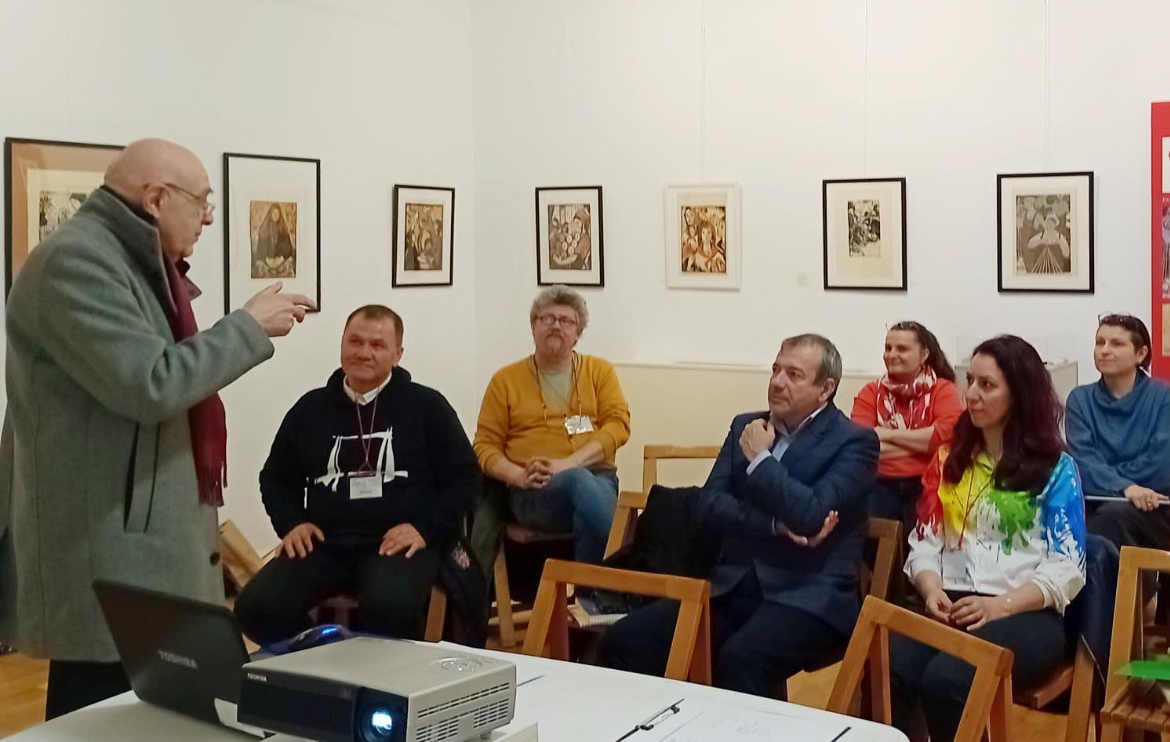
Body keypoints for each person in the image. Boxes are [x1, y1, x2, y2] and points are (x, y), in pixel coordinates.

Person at [0, 138, 315, 718]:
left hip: (136, 539)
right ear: (155, 199)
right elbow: (151, 383)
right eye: (201, 202)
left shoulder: (124, 261)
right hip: (106, 545)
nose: (208, 218)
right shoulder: (77, 264)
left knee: (157, 714)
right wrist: (248, 326)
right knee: (100, 711)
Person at [599, 334, 877, 698]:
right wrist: (774, 525)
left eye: (794, 375)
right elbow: (708, 507)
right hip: (733, 586)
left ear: (825, 389)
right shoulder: (745, 426)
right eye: (776, 369)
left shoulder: (854, 442)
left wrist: (761, 459)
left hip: (808, 594)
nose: (777, 382)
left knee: (741, 659)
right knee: (625, 640)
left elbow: (811, 515)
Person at [235, 306, 480, 646]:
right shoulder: (309, 409)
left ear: (397, 354)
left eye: (377, 345)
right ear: (341, 345)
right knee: (255, 607)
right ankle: (321, 659)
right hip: (325, 544)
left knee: (388, 607)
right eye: (355, 341)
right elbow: (276, 477)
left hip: (396, 544)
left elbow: (466, 478)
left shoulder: (427, 406)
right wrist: (291, 523)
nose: (364, 352)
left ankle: (377, 675)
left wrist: (424, 529)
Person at [894, 335, 1087, 742]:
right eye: (970, 382)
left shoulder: (1056, 468)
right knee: (888, 663)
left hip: (1023, 612)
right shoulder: (950, 458)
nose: (971, 395)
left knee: (948, 679)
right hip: (951, 602)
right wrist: (930, 590)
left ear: (1018, 395)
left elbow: (1068, 568)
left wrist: (998, 606)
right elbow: (924, 541)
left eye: (987, 385)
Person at [472, 286, 630, 566]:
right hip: (533, 491)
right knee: (581, 484)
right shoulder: (504, 381)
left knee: (586, 504)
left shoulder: (600, 372)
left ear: (578, 334)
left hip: (598, 479)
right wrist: (518, 475)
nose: (556, 325)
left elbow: (618, 425)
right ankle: (631, 561)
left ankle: (589, 591)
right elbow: (484, 447)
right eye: (547, 318)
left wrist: (568, 464)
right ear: (533, 327)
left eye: (566, 320)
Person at [1065, 314, 1170, 551]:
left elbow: (1161, 467)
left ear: (1140, 354)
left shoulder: (1165, 397)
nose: (1104, 350)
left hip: (1154, 505)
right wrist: (1126, 487)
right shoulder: (1079, 399)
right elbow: (1082, 464)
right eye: (1100, 342)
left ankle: (1109, 575)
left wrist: (1110, 478)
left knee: (1110, 521)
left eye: (1116, 344)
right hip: (1094, 502)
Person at [850, 321, 964, 532]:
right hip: (878, 484)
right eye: (888, 348)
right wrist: (923, 444)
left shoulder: (943, 389)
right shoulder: (871, 392)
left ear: (924, 355)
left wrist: (885, 434)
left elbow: (945, 437)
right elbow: (860, 443)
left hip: (929, 485)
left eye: (902, 349)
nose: (891, 355)